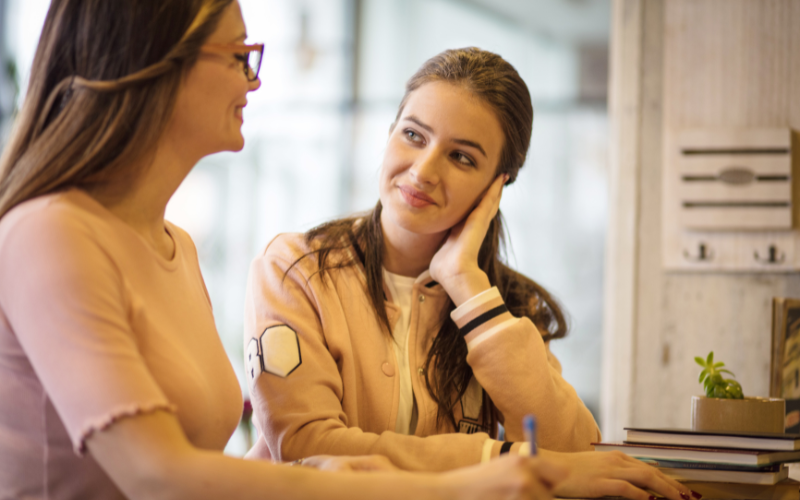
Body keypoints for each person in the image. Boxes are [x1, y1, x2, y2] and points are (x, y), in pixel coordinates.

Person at [0, 1, 571, 499]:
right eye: (237, 56)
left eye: (463, 156)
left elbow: (202, 472)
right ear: (156, 64)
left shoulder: (176, 246)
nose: (252, 81)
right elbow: (159, 478)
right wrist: (459, 481)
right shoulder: (51, 232)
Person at [244, 48, 699, 500]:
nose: (423, 171)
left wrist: (466, 284)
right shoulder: (296, 269)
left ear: (497, 186)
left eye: (461, 157)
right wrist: (499, 460)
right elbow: (306, 447)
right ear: (389, 134)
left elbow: (573, 453)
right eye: (413, 135)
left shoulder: (500, 302)